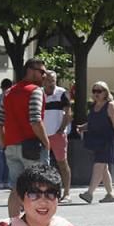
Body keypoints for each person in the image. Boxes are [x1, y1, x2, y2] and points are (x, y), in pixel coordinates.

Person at [0, 58, 51, 221]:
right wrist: (46, 142)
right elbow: (35, 119)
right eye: (42, 72)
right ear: (31, 71)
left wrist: (3, 144)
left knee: (16, 189)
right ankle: (36, 224)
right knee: (39, 187)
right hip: (32, 147)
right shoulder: (35, 91)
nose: (44, 76)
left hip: (11, 146)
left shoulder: (9, 92)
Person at [77, 81, 114, 204]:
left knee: (99, 165)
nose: (96, 94)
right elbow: (94, 122)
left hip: (108, 140)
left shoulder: (110, 106)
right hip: (97, 140)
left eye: (99, 91)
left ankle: (89, 193)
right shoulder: (93, 106)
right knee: (103, 169)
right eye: (94, 91)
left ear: (106, 92)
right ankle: (110, 194)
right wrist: (83, 127)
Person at [40, 72, 71, 200]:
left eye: (53, 80)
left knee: (62, 163)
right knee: (41, 166)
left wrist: (62, 129)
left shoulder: (62, 93)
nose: (50, 83)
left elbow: (68, 113)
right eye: (48, 80)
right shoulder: (39, 93)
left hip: (57, 134)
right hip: (42, 135)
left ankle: (67, 193)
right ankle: (44, 192)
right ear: (43, 81)